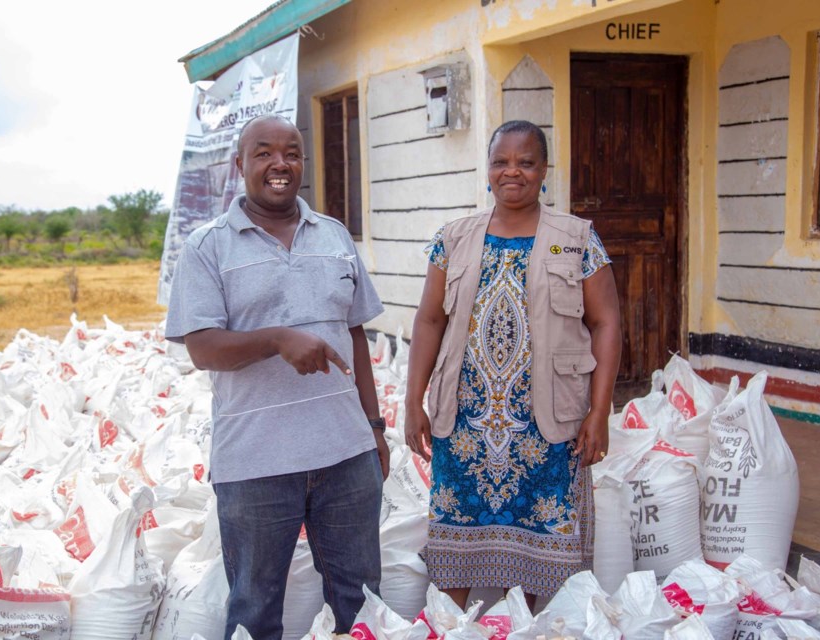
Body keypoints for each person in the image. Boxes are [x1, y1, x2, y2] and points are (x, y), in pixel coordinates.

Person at [164, 114, 390, 640]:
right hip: (256, 463)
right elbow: (202, 348)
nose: (280, 164)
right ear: (239, 165)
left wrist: (374, 427)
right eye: (263, 153)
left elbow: (354, 335)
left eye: (291, 152)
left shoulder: (333, 236)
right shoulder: (207, 247)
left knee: (361, 604)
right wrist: (276, 339)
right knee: (255, 610)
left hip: (346, 455)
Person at [403, 120, 621, 609]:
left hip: (547, 425)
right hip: (463, 425)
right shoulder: (453, 238)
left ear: (544, 170)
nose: (512, 172)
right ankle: (450, 626)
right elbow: (428, 320)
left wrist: (600, 411)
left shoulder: (577, 239)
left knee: (539, 556)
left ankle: (527, 625)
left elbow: (608, 323)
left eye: (525, 162)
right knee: (455, 541)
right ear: (487, 170)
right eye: (501, 161)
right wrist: (412, 400)